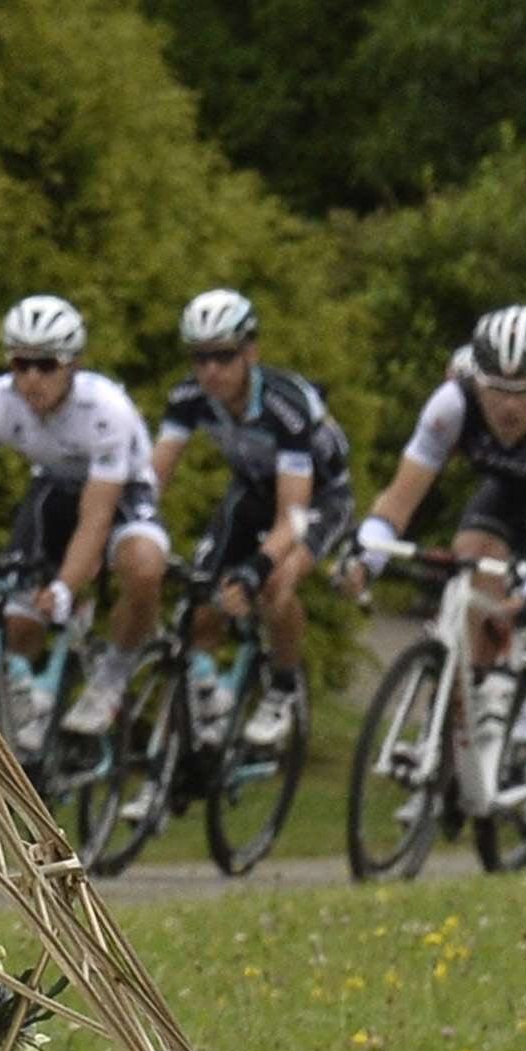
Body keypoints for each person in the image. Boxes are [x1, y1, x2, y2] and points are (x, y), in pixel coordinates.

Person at [351, 303, 526, 827]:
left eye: (524, 391)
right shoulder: (451, 404)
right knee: (470, 566)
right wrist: (365, 558)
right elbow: (397, 502)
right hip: (514, 484)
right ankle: (454, 747)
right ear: (473, 378)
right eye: (495, 389)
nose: (507, 405)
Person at [0, 293, 157, 753]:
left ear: (72, 364)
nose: (32, 377)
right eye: (21, 363)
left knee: (142, 564)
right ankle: (27, 699)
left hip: (121, 495)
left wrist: (65, 587)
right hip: (53, 488)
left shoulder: (106, 411)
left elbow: (97, 519)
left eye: (46, 365)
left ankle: (112, 676)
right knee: (20, 619)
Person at [144, 287, 348, 750]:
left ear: (250, 353)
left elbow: (294, 518)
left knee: (275, 585)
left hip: (319, 498)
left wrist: (257, 568)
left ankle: (282, 688)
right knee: (202, 597)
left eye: (223, 356)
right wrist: (135, 525)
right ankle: (208, 699)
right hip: (253, 491)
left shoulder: (286, 407)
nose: (210, 370)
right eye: (199, 358)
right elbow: (153, 476)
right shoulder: (190, 396)